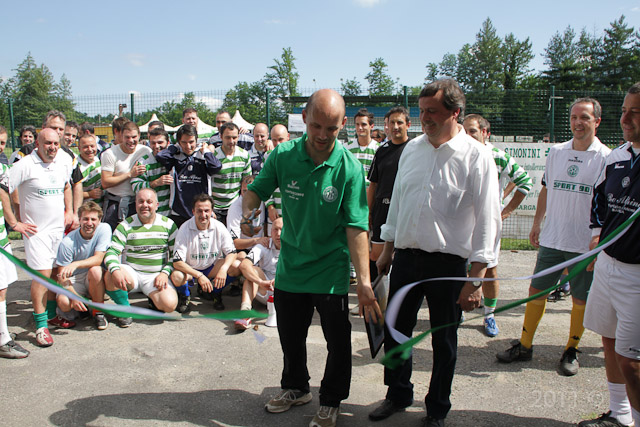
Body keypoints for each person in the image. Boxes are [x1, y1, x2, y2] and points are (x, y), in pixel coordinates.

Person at [242, 88, 380, 427]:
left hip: (330, 269)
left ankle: (331, 400)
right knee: (290, 335)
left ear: (343, 125)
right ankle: (296, 387)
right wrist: (249, 207)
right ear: (304, 118)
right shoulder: (283, 156)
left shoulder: (348, 168)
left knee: (337, 341)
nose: (322, 135)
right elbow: (256, 191)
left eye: (331, 128)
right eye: (316, 125)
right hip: (291, 267)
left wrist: (364, 282)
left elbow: (356, 227)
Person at [369, 79, 500, 427]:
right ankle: (398, 394)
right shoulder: (412, 149)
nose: (424, 119)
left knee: (444, 340)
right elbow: (398, 202)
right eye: (422, 111)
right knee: (396, 330)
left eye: (432, 112)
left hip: (448, 265)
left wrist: (476, 278)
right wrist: (388, 247)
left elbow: (488, 219)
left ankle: (437, 409)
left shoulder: (477, 156)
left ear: (455, 113)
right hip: (405, 259)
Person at [496, 98, 611, 377]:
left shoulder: (606, 157)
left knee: (580, 299)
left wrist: (598, 238)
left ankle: (571, 349)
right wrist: (538, 223)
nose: (577, 123)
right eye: (573, 117)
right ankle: (525, 345)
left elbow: (607, 203)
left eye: (584, 117)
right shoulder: (557, 152)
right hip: (552, 238)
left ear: (597, 121)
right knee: (537, 291)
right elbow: (546, 189)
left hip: (584, 244)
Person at [578, 83, 640, 427]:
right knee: (609, 338)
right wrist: (596, 234)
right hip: (607, 264)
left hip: (637, 275)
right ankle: (619, 414)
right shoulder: (616, 157)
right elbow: (599, 200)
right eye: (624, 111)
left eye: (635, 112)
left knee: (632, 362)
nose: (625, 119)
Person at [463, 114, 532, 337]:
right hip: (461, 221)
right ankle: (459, 309)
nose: (468, 135)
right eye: (464, 130)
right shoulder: (459, 152)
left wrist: (506, 211)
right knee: (460, 265)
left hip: (487, 224)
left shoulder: (498, 156)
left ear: (485, 132)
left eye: (473, 131)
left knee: (489, 268)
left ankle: (489, 314)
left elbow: (525, 182)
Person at [9, 128, 75, 347]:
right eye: (48, 143)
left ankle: (51, 315)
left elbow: (67, 186)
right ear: (37, 143)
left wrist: (69, 211)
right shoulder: (24, 164)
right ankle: (40, 327)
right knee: (42, 276)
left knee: (56, 273)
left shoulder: (63, 161)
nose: (52, 147)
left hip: (58, 231)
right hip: (36, 233)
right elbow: (3, 187)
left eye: (56, 143)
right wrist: (14, 222)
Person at [104, 188, 179, 326]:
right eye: (141, 201)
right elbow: (111, 252)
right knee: (110, 273)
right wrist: (115, 270)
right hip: (132, 274)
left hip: (155, 276)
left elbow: (176, 255)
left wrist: (165, 273)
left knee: (169, 305)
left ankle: (153, 299)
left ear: (157, 205)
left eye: (149, 202)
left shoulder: (169, 225)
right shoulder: (125, 225)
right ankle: (124, 309)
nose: (145, 205)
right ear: (136, 204)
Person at [171, 194, 239, 312]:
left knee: (236, 266)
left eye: (206, 211)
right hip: (191, 270)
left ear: (212, 211)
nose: (203, 215)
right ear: (193, 211)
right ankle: (185, 296)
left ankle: (215, 292)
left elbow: (232, 253)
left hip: (211, 267)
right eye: (199, 211)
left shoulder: (219, 226)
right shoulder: (184, 228)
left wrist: (223, 269)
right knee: (177, 276)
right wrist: (199, 276)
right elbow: (177, 262)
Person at [367, 107, 411, 285]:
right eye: (392, 122)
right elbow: (373, 184)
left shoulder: (414, 150)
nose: (395, 126)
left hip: (405, 211)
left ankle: (398, 295)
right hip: (382, 209)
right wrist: (368, 212)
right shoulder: (382, 150)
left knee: (402, 256)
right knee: (376, 255)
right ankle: (374, 295)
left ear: (408, 125)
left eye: (399, 122)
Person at [54, 202, 112, 330]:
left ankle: (98, 311)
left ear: (99, 220)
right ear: (79, 220)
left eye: (93, 219)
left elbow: (98, 259)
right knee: (64, 303)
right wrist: (73, 296)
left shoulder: (104, 229)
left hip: (91, 274)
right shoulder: (67, 243)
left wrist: (76, 264)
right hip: (74, 279)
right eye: (85, 219)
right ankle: (82, 307)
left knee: (96, 270)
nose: (89, 223)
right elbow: (62, 277)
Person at [0, 160, 35, 358]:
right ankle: (3, 340)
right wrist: (14, 222)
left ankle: (2, 332)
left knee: (2, 287)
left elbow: (7, 189)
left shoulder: (3, 169)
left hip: (1, 236)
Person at [156, 124, 222, 228]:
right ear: (179, 142)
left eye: (191, 142)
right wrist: (175, 147)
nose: (188, 146)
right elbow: (160, 156)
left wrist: (206, 151)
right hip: (179, 212)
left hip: (200, 211)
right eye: (184, 142)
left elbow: (217, 166)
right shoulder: (175, 157)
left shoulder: (202, 155)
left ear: (196, 140)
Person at [100, 121, 152, 231]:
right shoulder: (109, 154)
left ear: (139, 135)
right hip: (115, 204)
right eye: (127, 137)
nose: (131, 141)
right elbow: (105, 182)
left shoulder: (146, 151)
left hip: (137, 203)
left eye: (134, 137)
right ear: (121, 136)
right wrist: (129, 174)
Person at [234, 216, 283, 330]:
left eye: (282, 229)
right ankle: (245, 313)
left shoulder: (294, 247)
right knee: (253, 271)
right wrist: (261, 282)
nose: (278, 234)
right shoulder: (263, 245)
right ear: (270, 231)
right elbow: (244, 265)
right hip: (265, 289)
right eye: (275, 230)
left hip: (285, 291)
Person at [211, 122, 251, 226]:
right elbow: (206, 183)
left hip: (234, 205)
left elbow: (247, 182)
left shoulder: (244, 155)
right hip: (215, 207)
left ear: (238, 137)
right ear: (221, 137)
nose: (231, 141)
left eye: (234, 137)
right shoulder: (213, 156)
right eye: (228, 137)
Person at [131, 127, 172, 218]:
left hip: (173, 214)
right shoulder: (143, 162)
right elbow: (135, 187)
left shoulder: (175, 159)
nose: (156, 146)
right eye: (153, 143)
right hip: (152, 215)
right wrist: (156, 183)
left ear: (168, 142)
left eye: (160, 142)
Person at [343, 108, 379, 190]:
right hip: (352, 190)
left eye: (363, 124)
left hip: (371, 191)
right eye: (357, 124)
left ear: (371, 126)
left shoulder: (379, 149)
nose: (360, 127)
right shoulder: (346, 148)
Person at [264, 125, 290, 233]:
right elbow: (265, 184)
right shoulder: (267, 156)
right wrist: (270, 206)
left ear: (288, 137)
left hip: (293, 213)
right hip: (275, 213)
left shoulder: (298, 156)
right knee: (274, 240)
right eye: (274, 140)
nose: (277, 144)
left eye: (280, 139)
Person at [77, 134, 103, 207]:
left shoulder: (99, 159)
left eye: (92, 146)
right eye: (85, 147)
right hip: (84, 208)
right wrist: (88, 194)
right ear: (79, 148)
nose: (90, 149)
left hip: (101, 206)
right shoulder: (76, 167)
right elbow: (69, 193)